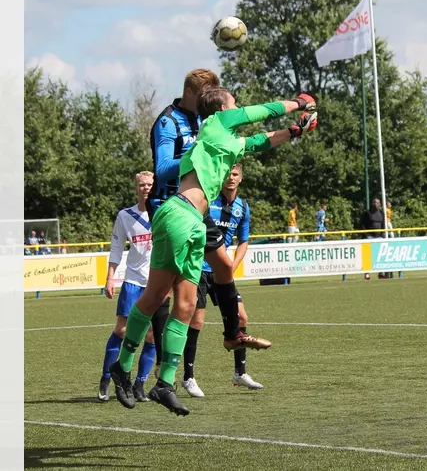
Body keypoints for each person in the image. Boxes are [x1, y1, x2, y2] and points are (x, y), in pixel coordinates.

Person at [108, 87, 318, 415]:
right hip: (180, 215)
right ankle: (122, 367)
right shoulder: (218, 121)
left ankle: (164, 383)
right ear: (222, 106)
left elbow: (260, 140)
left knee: (187, 304)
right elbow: (262, 111)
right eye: (235, 102)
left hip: (191, 221)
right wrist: (300, 103)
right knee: (154, 298)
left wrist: (295, 130)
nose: (238, 106)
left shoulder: (226, 142)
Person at [146, 68, 267, 371]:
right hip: (171, 205)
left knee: (221, 268)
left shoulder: (205, 120)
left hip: (198, 208)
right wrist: (196, 154)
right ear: (190, 93)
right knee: (166, 294)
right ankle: (148, 368)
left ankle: (232, 334)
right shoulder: (168, 121)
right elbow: (161, 169)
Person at [182, 163, 265, 397]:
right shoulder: (208, 200)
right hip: (199, 270)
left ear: (241, 178)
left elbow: (244, 240)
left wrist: (233, 265)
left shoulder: (243, 207)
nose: (231, 178)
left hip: (221, 272)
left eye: (235, 174)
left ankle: (240, 373)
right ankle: (188, 377)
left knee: (242, 317)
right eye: (228, 174)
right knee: (196, 322)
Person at [99, 171, 158, 403]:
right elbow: (116, 248)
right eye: (142, 185)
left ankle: (139, 385)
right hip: (133, 280)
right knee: (122, 331)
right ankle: (106, 378)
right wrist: (110, 277)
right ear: (136, 188)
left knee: (153, 335)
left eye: (150, 184)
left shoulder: (164, 212)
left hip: (157, 282)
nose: (146, 188)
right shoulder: (125, 215)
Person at [361, 198, 386, 280]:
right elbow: (362, 224)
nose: (376, 204)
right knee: (368, 256)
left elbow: (383, 224)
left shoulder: (382, 213)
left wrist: (383, 234)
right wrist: (366, 235)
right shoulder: (367, 213)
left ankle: (380, 273)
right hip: (370, 237)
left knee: (380, 256)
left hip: (379, 237)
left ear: (380, 204)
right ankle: (367, 274)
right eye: (374, 202)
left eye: (377, 203)